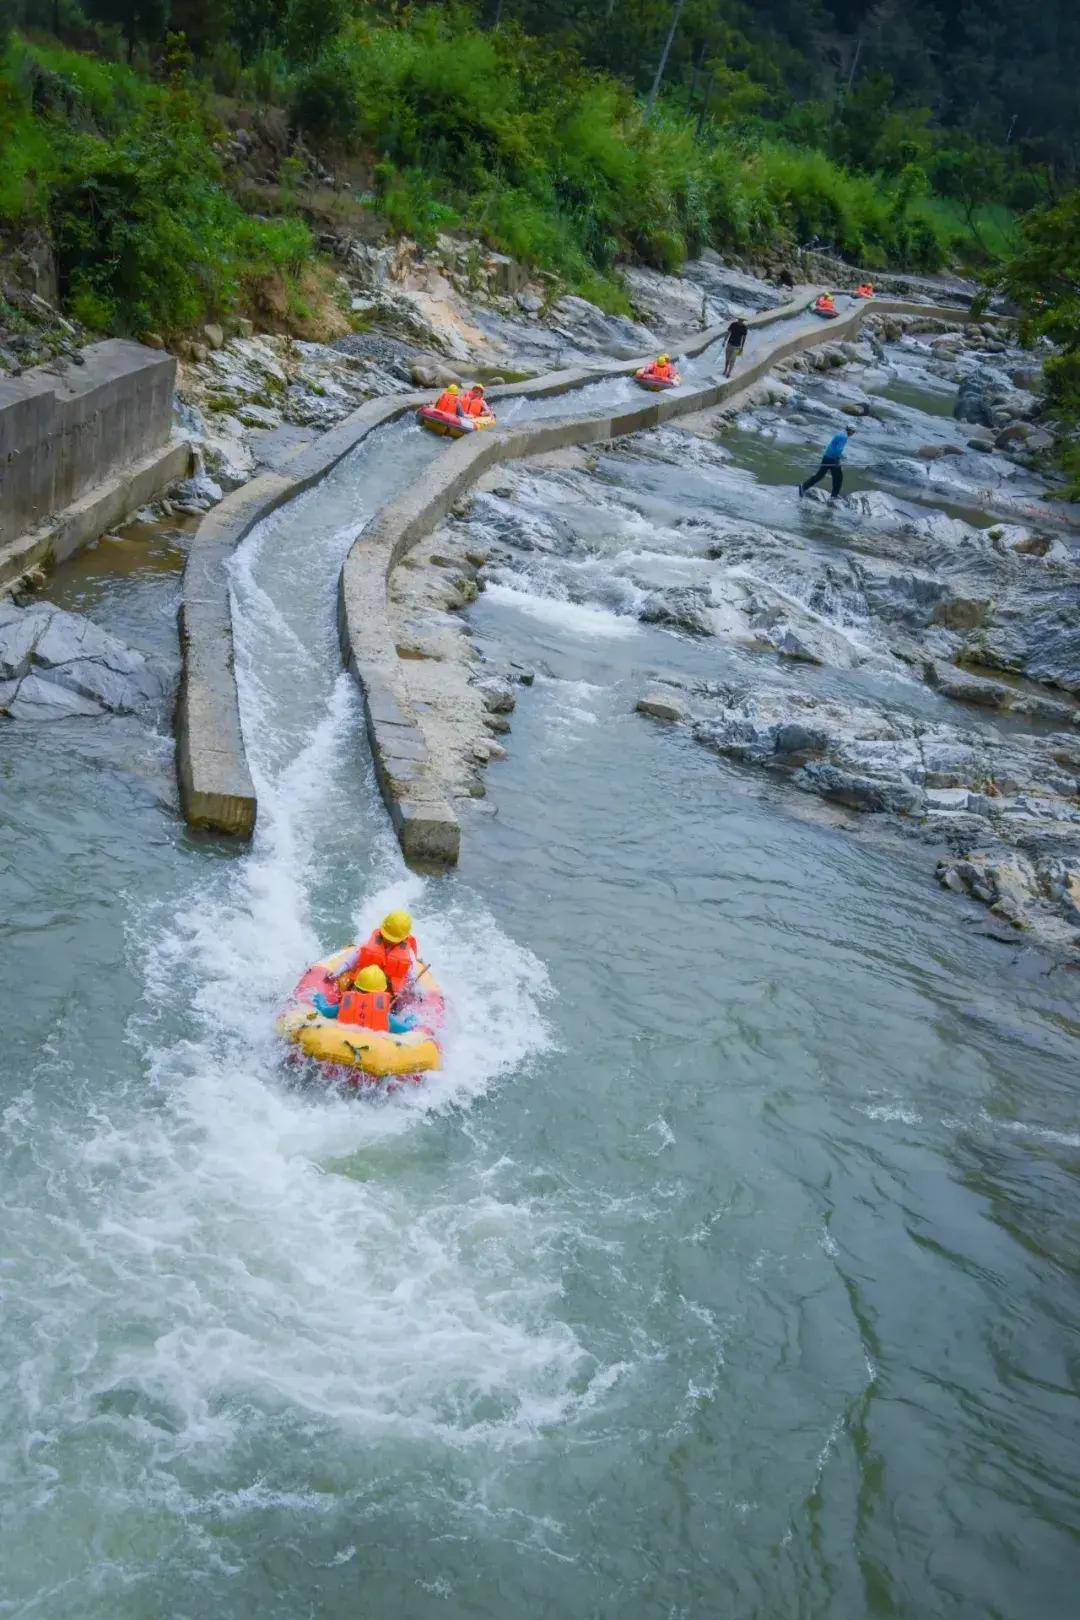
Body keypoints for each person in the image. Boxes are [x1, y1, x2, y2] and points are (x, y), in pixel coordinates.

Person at [312, 965, 418, 1033]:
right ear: (382, 992)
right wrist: (411, 1019)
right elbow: (405, 1028)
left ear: (356, 987)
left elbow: (324, 1010)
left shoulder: (342, 1007)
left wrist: (319, 997)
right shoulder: (386, 1018)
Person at [798, 426, 854, 500]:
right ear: (850, 431)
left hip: (826, 456)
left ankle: (804, 487)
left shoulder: (840, 433)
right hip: (833, 459)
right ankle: (834, 496)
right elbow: (838, 449)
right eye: (853, 432)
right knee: (838, 478)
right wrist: (837, 460)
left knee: (819, 475)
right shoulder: (844, 437)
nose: (853, 434)